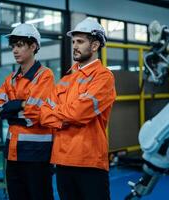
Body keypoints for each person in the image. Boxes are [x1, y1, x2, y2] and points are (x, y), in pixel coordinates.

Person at [40, 18, 116, 200]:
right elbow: (43, 114)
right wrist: (67, 115)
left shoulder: (103, 77)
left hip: (89, 162)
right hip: (62, 160)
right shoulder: (66, 79)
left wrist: (60, 114)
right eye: (73, 41)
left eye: (80, 42)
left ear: (95, 45)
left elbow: (78, 113)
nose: (75, 46)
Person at [0, 23, 55, 200]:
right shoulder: (11, 78)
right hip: (12, 152)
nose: (14, 50)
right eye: (13, 46)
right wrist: (20, 105)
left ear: (33, 46)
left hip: (37, 153)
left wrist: (10, 110)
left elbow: (34, 115)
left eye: (19, 45)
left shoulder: (45, 75)